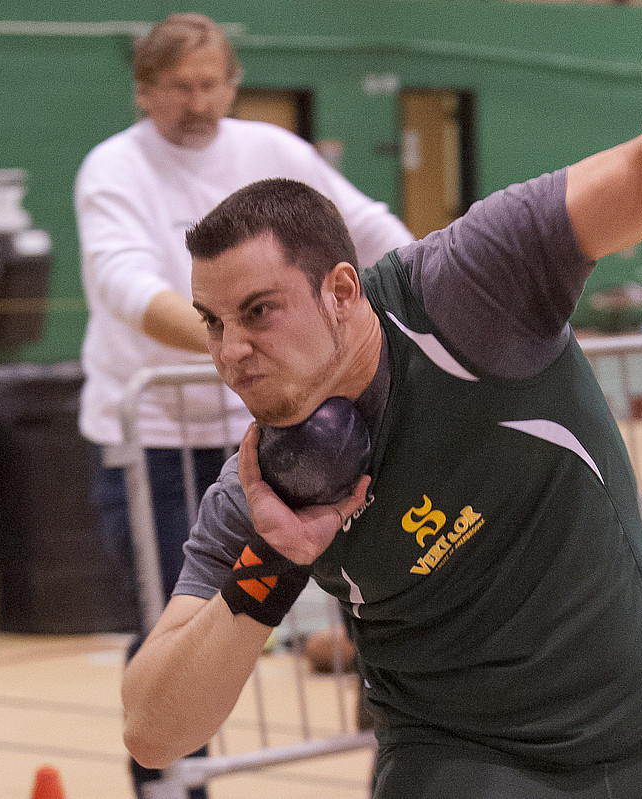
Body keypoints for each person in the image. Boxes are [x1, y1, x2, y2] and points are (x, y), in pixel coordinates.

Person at [122, 101, 642, 798]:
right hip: (468, 765)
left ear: (341, 290)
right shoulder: (262, 492)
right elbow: (152, 730)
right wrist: (269, 565)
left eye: (258, 312)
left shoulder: (469, 287)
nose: (230, 351)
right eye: (213, 323)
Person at [74, 12, 412, 797]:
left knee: (368, 602)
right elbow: (126, 286)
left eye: (211, 84)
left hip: (284, 435)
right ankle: (172, 784)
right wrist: (244, 345)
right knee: (176, 627)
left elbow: (374, 229)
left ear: (233, 83)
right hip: (155, 442)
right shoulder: (113, 169)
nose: (198, 101)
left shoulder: (274, 151)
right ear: (144, 90)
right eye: (179, 87)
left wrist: (417, 306)